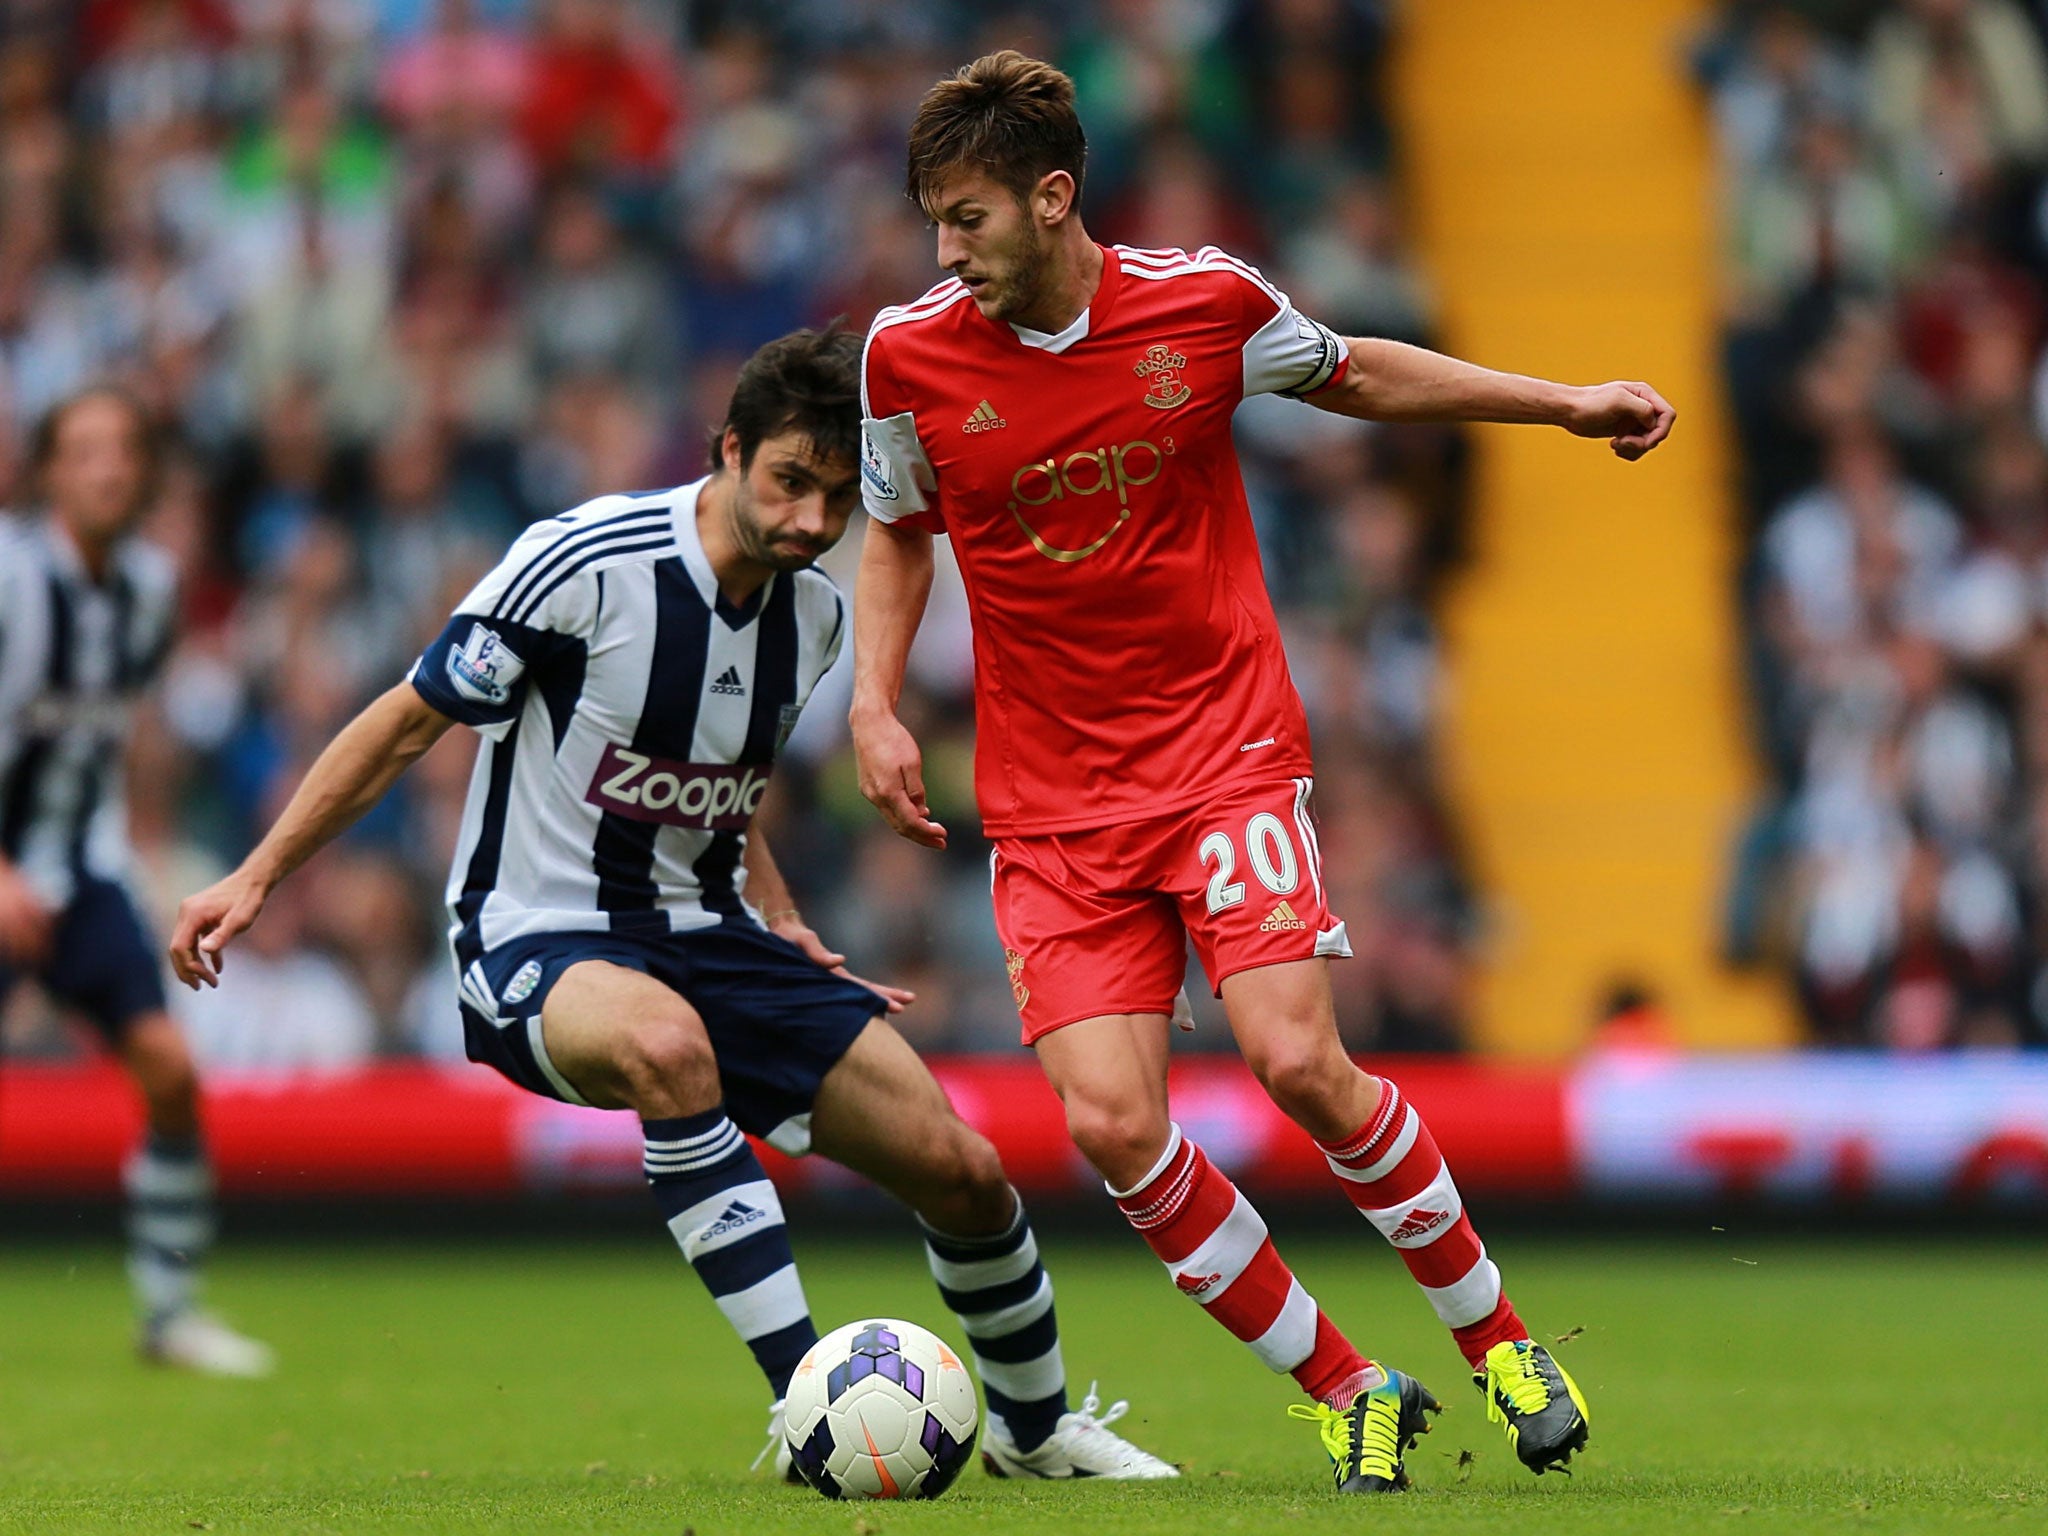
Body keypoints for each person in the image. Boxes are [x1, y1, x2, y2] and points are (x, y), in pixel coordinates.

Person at [853, 52, 1675, 1494]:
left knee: (1299, 1058)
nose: (945, 250)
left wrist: (1560, 404)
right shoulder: (904, 357)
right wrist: (872, 704)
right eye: (934, 219)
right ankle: (1348, 1386)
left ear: (1054, 197)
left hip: (1221, 753)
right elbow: (898, 529)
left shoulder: (1204, 303)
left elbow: (1359, 372)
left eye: (968, 216)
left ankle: (1502, 1345)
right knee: (1110, 1124)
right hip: (1050, 803)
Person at [169, 327, 1172, 1482]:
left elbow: (723, 792)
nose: (808, 521)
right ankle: (812, 1411)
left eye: (837, 501)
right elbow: (405, 722)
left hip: (711, 933)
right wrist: (255, 875)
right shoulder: (585, 562)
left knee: (963, 1168)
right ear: (729, 450)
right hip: (535, 934)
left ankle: (1035, 1436)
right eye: (789, 482)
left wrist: (784, 917)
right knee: (665, 1048)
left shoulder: (816, 619)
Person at [0, 386, 274, 1378]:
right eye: (85, 450)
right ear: (48, 470)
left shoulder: (150, 590)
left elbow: (108, 735)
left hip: (78, 869)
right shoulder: (10, 577)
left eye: (124, 450)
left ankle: (168, 1313)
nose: (109, 468)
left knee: (169, 1072)